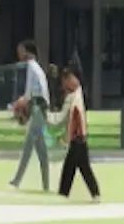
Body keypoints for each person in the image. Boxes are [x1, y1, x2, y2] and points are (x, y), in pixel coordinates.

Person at [9, 40, 51, 191]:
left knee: (28, 146)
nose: (19, 53)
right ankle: (46, 184)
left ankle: (17, 180)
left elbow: (29, 91)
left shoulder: (31, 67)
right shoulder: (37, 67)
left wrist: (20, 102)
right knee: (41, 150)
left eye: (21, 50)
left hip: (38, 109)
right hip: (40, 109)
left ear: (27, 52)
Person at [54, 66, 101, 202]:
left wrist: (67, 137)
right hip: (79, 137)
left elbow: (73, 118)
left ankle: (93, 193)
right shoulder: (76, 94)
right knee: (73, 167)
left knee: (80, 167)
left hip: (77, 137)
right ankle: (64, 192)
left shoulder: (75, 96)